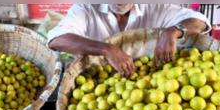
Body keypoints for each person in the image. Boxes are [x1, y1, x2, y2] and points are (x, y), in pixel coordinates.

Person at [48, 4, 211, 78]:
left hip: (150, 72)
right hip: (98, 77)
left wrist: (175, 30)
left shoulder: (154, 7)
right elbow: (57, 39)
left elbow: (200, 21)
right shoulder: (86, 8)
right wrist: (107, 49)